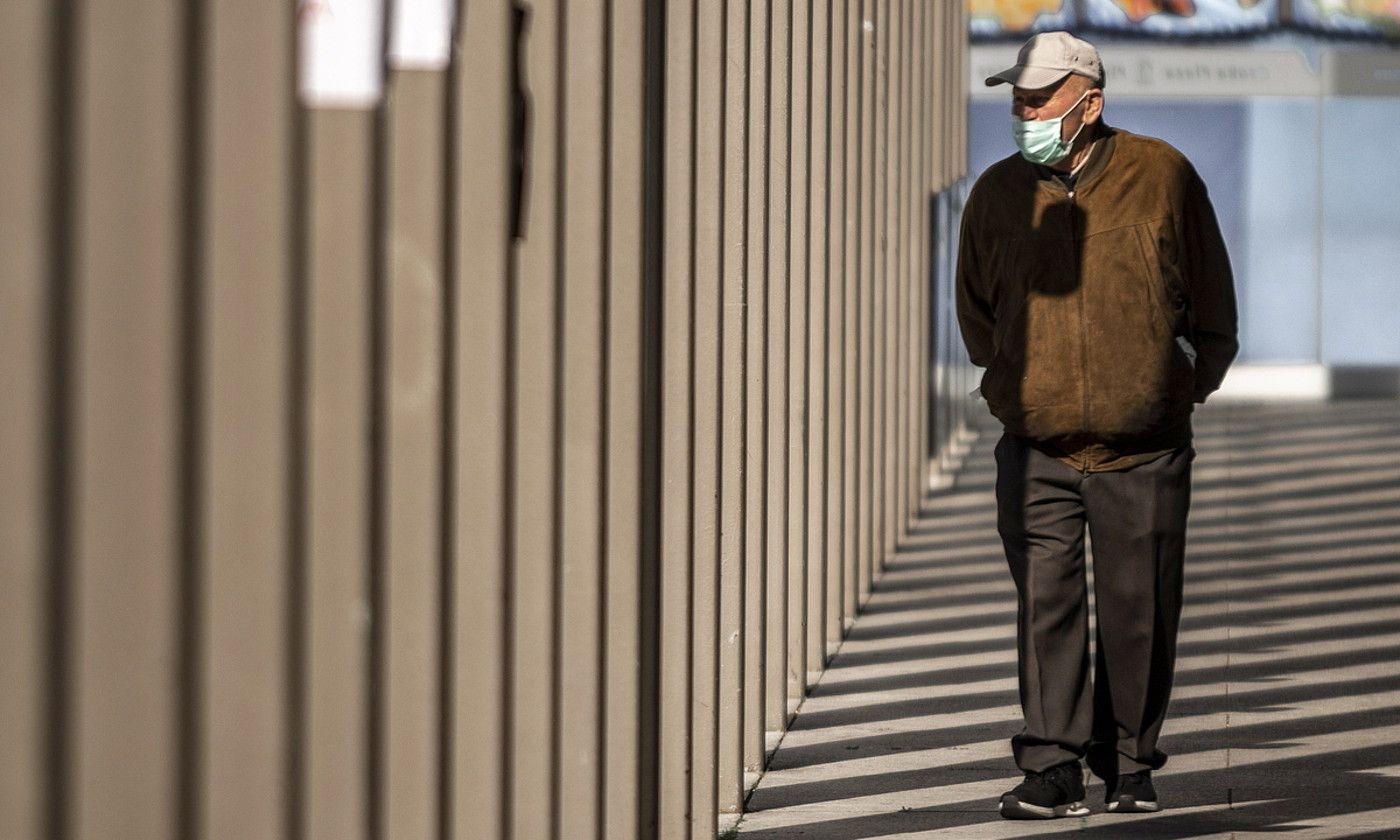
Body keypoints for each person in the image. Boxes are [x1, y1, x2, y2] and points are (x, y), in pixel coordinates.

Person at [956, 31, 1239, 820]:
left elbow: (1212, 299)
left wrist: (1178, 388)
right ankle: (1050, 767)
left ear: (1090, 101)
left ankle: (1129, 764)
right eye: (1018, 96)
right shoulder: (997, 193)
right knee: (1045, 608)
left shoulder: (1161, 175)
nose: (1024, 109)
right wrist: (1013, 382)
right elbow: (976, 312)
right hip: (1038, 441)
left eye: (1039, 97)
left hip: (1144, 444)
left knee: (1137, 606)